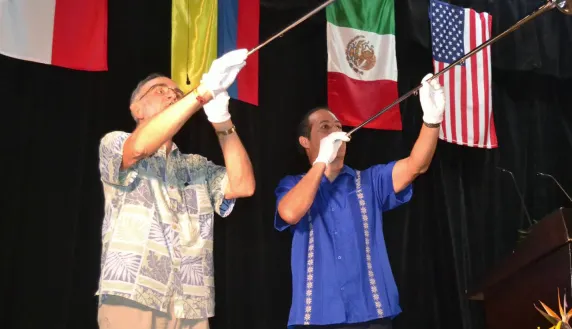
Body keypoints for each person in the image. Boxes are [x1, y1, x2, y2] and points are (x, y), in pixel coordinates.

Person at [95, 49, 255, 329]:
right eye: (160, 90)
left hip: (191, 305)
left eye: (177, 93)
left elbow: (243, 186)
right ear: (137, 109)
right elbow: (140, 148)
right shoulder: (115, 143)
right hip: (134, 296)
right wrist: (201, 92)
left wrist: (222, 121)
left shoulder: (196, 166)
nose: (172, 94)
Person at [274, 73, 446, 328]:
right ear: (304, 141)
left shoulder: (370, 180)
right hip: (316, 316)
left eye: (337, 127)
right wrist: (322, 161)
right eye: (324, 127)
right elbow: (289, 212)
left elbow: (415, 166)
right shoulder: (292, 184)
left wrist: (432, 121)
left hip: (371, 314)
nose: (335, 132)